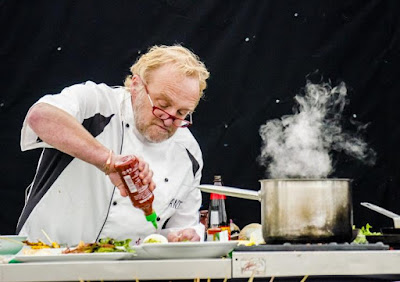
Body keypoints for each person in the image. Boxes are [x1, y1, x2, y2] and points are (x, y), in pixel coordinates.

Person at [17, 44, 210, 246]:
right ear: (136, 85)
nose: (169, 119)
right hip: (44, 256)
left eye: (181, 113)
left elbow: (179, 229)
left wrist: (182, 237)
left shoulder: (189, 151)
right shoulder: (97, 103)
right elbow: (40, 117)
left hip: (127, 270)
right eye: (162, 105)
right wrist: (109, 161)